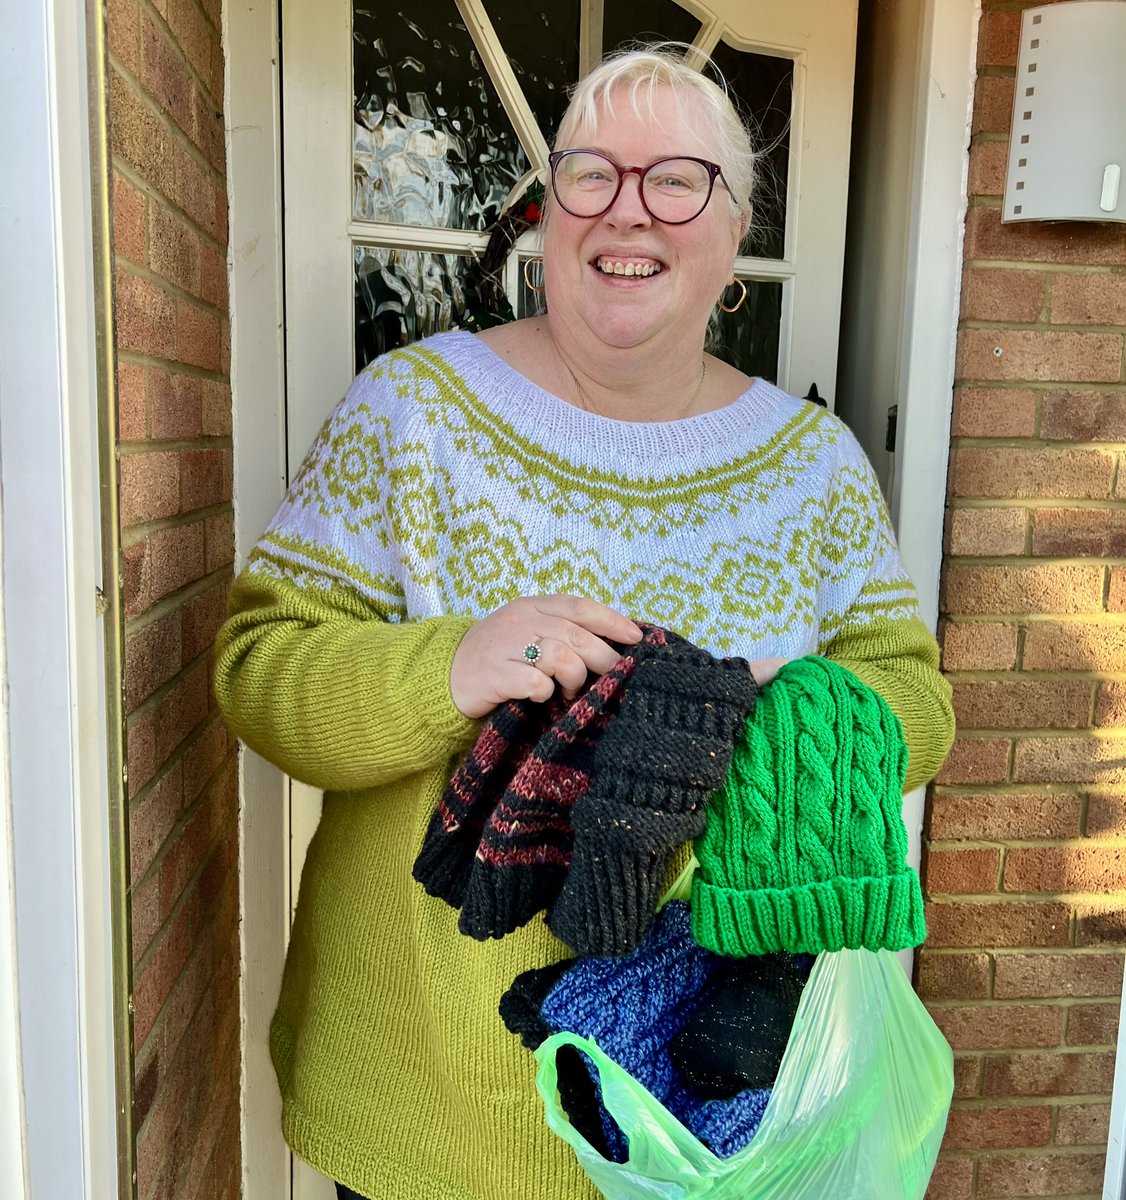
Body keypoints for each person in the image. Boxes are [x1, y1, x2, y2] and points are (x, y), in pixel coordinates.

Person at [214, 44, 954, 1200]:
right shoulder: (411, 411)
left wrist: (792, 708)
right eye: (590, 173)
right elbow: (263, 672)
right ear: (547, 211)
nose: (629, 210)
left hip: (714, 1106)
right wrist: (452, 663)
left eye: (677, 179)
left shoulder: (813, 467)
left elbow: (913, 696)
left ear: (735, 236)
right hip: (429, 1100)